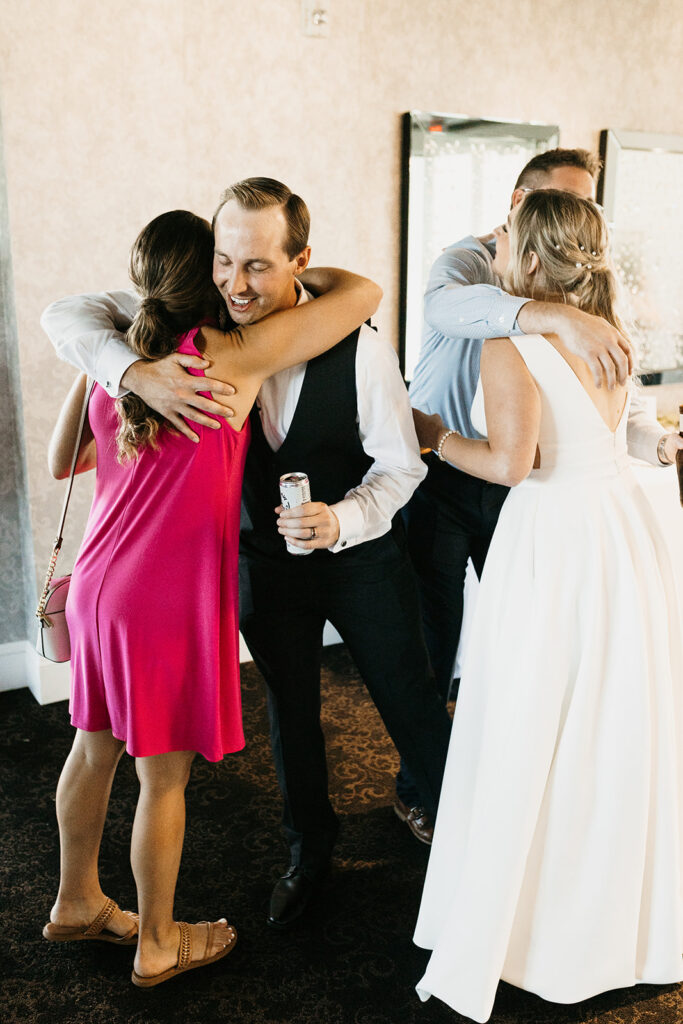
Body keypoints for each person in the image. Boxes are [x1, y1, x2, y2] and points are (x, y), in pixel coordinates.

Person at [41, 178, 453, 932]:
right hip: (245, 570)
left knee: (409, 702)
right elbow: (70, 316)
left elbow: (401, 465)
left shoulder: (346, 351)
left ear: (299, 260)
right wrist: (125, 367)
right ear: (202, 267)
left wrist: (344, 519)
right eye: (223, 263)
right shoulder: (205, 348)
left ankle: (464, 843)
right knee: (280, 718)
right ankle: (300, 856)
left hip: (354, 560)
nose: (236, 283)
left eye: (257, 266)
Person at [411, 189, 683, 1021]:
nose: (492, 250)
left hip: (550, 540)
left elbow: (511, 465)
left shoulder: (511, 347)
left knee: (530, 712)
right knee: (605, 718)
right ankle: (616, 919)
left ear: (530, 261)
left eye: (503, 241)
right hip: (616, 534)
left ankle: (529, 916)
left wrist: (426, 434)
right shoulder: (610, 340)